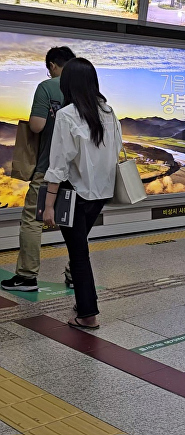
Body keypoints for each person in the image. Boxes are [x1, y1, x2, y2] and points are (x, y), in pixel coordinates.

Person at [40, 58, 122, 329]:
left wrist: (49, 205)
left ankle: (88, 313)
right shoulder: (108, 112)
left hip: (73, 195)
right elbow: (116, 150)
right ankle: (83, 305)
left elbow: (59, 165)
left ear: (68, 84)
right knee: (79, 250)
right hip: (99, 195)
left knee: (78, 254)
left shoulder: (67, 115)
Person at [1, 47, 76, 292]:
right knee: (74, 223)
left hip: (49, 167)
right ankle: (76, 274)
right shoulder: (85, 90)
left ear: (53, 65)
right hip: (79, 173)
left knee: (33, 220)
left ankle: (26, 277)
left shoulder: (48, 87)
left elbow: (36, 126)